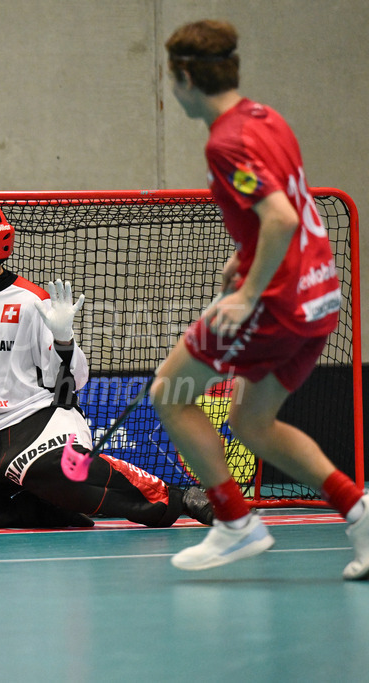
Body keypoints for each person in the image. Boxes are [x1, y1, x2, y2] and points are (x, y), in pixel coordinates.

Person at [154, 20, 368, 578]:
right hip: (320, 294)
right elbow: (282, 206)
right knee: (252, 422)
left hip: (276, 303)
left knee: (170, 394)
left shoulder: (225, 142)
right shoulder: (265, 118)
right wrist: (244, 256)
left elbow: (278, 215)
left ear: (183, 76)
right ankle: (360, 513)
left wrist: (249, 292)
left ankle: (235, 522)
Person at [0, 195, 213, 530]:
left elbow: (71, 384)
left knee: (61, 471)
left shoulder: (31, 301)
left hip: (37, 425)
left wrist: (65, 339)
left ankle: (177, 499)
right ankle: (41, 511)